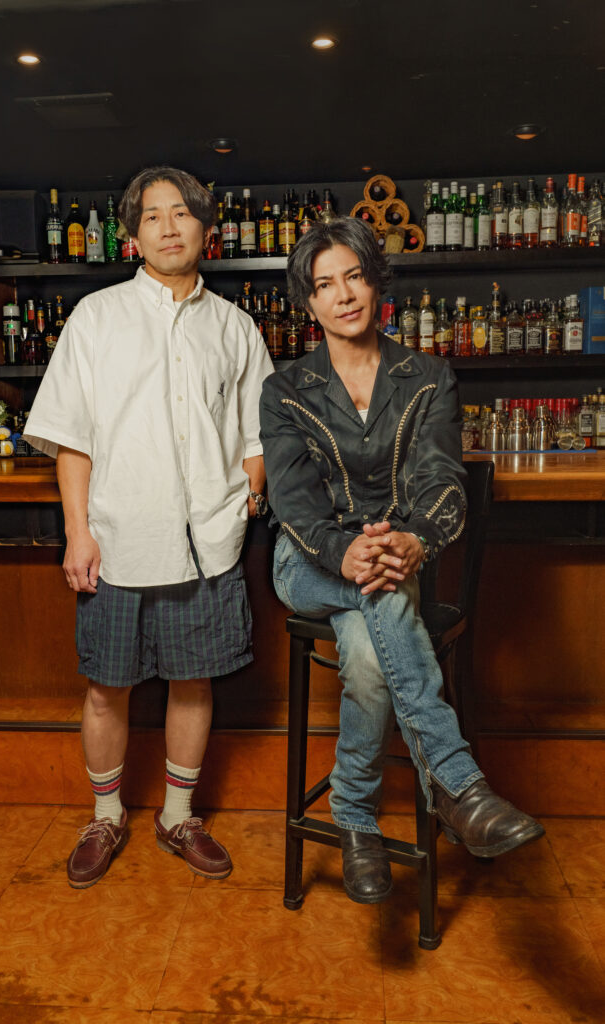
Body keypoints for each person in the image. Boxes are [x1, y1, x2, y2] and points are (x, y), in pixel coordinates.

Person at [259, 217, 544, 905]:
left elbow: (442, 479)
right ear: (309, 303)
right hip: (307, 561)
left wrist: (413, 539)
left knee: (365, 654)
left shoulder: (428, 377)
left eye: (354, 276)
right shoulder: (285, 389)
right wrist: (345, 551)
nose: (343, 295)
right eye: (325, 285)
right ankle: (457, 785)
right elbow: (294, 504)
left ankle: (353, 816)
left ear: (375, 283)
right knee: (383, 593)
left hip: (394, 555)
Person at [24, 166, 273, 888]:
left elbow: (257, 433)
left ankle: (178, 815)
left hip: (207, 544)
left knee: (194, 682)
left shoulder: (235, 326)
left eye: (181, 213)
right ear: (133, 236)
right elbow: (72, 439)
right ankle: (105, 815)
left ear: (206, 230)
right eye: (153, 216)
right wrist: (78, 532)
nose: (168, 226)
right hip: (119, 537)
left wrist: (247, 495)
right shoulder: (96, 318)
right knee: (107, 687)